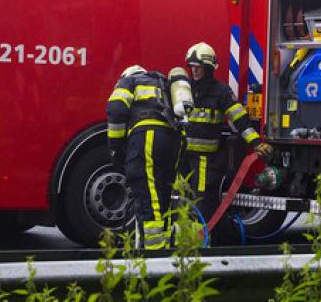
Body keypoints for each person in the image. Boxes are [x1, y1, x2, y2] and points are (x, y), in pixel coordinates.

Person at [181, 42, 273, 214]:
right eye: (192, 67)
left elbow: (240, 120)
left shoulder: (221, 92)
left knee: (201, 200)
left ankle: (202, 237)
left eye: (198, 67)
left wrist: (256, 143)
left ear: (208, 68)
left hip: (204, 160)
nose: (194, 71)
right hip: (183, 157)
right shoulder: (184, 90)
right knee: (181, 197)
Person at [106, 65, 181, 250]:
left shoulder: (129, 81)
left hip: (147, 135)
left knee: (147, 192)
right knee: (165, 192)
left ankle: (153, 250)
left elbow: (116, 108)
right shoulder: (164, 83)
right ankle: (168, 244)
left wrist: (116, 147)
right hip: (173, 140)